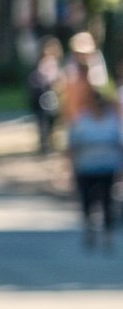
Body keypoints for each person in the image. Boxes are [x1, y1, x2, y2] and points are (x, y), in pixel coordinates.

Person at [62, 57, 122, 252]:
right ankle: (90, 228)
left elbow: (118, 143)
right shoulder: (82, 121)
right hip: (86, 167)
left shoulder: (112, 122)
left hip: (107, 167)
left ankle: (107, 233)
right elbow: (72, 144)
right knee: (88, 201)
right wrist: (71, 166)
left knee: (107, 201)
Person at [30, 37, 65, 154]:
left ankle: (46, 142)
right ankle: (45, 143)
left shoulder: (49, 62)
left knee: (48, 121)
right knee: (45, 120)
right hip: (44, 94)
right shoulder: (47, 62)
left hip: (48, 95)